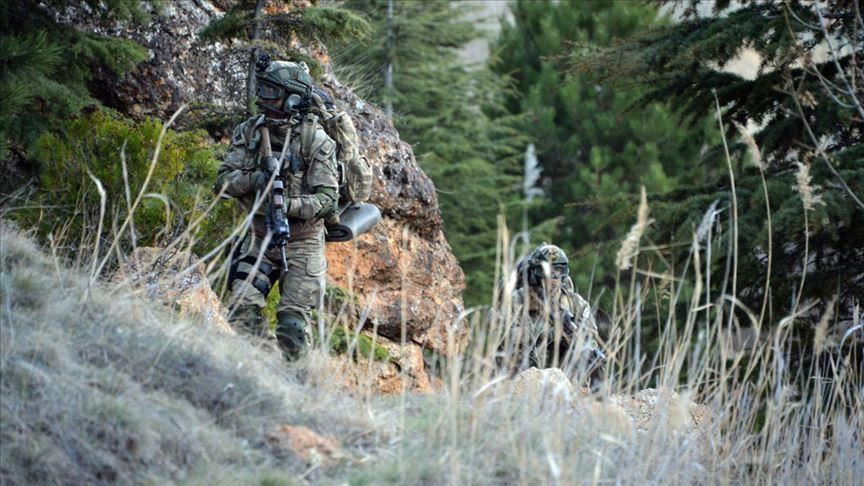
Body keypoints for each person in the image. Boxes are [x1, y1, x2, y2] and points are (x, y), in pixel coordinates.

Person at [215, 57, 339, 360]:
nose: (262, 97)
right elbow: (222, 182)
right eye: (262, 88)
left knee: (292, 330)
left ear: (292, 98)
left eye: (271, 91)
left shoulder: (315, 140)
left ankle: (297, 380)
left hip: (303, 243)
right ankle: (261, 367)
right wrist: (256, 179)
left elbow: (328, 199)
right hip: (258, 237)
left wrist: (289, 206)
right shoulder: (249, 132)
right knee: (242, 315)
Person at [503, 243, 606, 386]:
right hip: (522, 379)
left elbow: (590, 335)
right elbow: (503, 338)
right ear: (535, 273)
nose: (553, 277)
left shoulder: (575, 303)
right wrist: (546, 332)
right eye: (547, 271)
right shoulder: (517, 300)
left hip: (563, 382)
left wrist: (572, 337)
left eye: (558, 271)